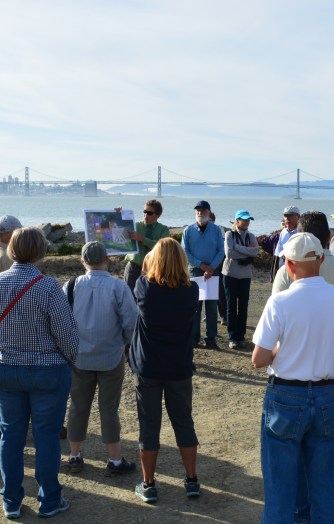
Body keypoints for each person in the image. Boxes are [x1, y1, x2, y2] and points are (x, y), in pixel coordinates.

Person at [253, 232, 334, 524]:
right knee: (324, 488)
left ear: (288, 264)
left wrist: (281, 351)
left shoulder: (280, 302)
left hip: (285, 396)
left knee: (279, 492)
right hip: (326, 394)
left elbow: (259, 359)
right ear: (321, 259)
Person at [273, 213, 334, 522]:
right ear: (327, 237)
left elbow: (276, 329)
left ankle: (303, 511)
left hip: (296, 373)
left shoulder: (288, 271)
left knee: (297, 445)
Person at [0, 227, 79, 519]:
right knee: (46, 436)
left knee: (11, 435)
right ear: (41, 251)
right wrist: (68, 360)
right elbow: (68, 338)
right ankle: (49, 500)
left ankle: (11, 501)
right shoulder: (49, 287)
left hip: (5, 369)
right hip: (48, 370)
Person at [129, 238, 201, 504]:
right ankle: (191, 480)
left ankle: (149, 484)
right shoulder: (191, 291)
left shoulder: (145, 288)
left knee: (149, 426)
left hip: (148, 366)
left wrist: (149, 260)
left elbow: (145, 271)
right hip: (179, 366)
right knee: (184, 423)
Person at [64, 242, 138, 476]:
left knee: (78, 406)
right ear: (107, 259)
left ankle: (74, 455)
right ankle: (114, 459)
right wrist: (126, 345)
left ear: (83, 261)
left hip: (80, 356)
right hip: (110, 355)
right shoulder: (118, 286)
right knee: (109, 408)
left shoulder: (71, 285)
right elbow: (131, 322)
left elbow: (62, 320)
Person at [181, 200, 224, 349]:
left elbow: (221, 251)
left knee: (211, 307)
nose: (200, 212)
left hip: (212, 271)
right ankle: (194, 338)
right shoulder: (188, 230)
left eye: (203, 210)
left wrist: (211, 267)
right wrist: (201, 265)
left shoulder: (216, 230)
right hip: (194, 270)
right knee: (194, 306)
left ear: (209, 212)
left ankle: (210, 339)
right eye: (198, 210)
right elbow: (185, 252)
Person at [222, 210, 259, 349]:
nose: (247, 222)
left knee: (243, 306)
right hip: (230, 274)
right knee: (231, 306)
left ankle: (241, 336)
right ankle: (232, 337)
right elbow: (229, 252)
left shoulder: (251, 236)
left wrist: (238, 248)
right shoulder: (229, 234)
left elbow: (255, 252)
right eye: (244, 219)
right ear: (237, 221)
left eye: (248, 219)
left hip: (245, 275)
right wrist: (245, 251)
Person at [123, 200, 170, 292]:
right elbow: (118, 229)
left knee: (149, 301)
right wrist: (117, 214)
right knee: (129, 299)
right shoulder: (135, 226)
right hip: (133, 268)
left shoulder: (163, 230)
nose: (146, 215)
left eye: (149, 213)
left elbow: (163, 248)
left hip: (153, 270)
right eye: (144, 211)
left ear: (158, 215)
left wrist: (142, 239)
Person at [271, 206, 300, 280]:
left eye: (290, 215)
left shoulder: (302, 232)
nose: (287, 218)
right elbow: (277, 254)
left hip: (297, 272)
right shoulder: (283, 232)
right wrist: (274, 276)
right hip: (283, 271)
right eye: (285, 216)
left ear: (298, 217)